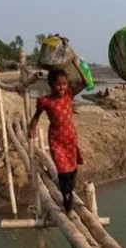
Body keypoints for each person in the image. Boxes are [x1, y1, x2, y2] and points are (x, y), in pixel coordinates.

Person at [29, 59, 88, 213]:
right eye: (57, 84)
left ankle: (69, 190)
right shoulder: (46, 101)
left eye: (64, 84)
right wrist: (32, 127)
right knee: (62, 170)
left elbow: (85, 82)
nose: (61, 87)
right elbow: (36, 116)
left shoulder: (69, 94)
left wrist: (75, 64)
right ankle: (66, 196)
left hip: (70, 138)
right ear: (51, 85)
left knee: (73, 169)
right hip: (56, 140)